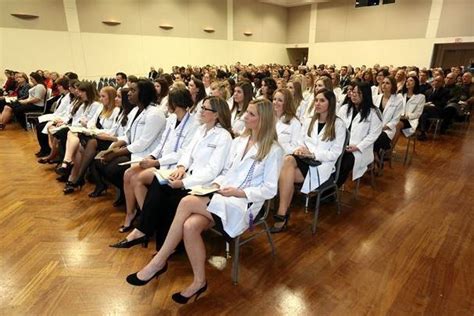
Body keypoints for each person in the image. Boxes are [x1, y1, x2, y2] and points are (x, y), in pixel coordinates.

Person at [124, 99, 283, 305]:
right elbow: (225, 171)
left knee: (187, 202)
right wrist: (216, 185)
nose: (245, 117)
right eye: (247, 113)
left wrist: (239, 191)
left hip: (244, 205)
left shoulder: (273, 150)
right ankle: (199, 282)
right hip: (222, 196)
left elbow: (270, 189)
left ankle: (158, 262)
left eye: (251, 114)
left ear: (264, 120)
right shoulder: (239, 142)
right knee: (190, 226)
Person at [110, 96, 233, 248]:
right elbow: (187, 153)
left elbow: (212, 171)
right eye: (201, 107)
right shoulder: (202, 130)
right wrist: (181, 167)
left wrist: (183, 182)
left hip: (202, 185)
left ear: (216, 114)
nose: (200, 111)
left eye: (205, 109)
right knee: (158, 182)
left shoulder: (224, 137)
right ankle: (143, 231)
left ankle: (157, 240)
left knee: (167, 196)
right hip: (188, 176)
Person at [112, 87, 197, 231]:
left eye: (168, 101)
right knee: (128, 174)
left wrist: (156, 162)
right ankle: (132, 213)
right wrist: (151, 156)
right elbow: (162, 144)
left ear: (175, 103)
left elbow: (183, 153)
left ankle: (148, 220)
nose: (165, 104)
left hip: (174, 166)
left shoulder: (193, 124)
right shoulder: (171, 119)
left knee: (137, 179)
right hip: (159, 161)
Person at [271, 89, 345, 232]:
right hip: (304, 159)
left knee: (286, 171)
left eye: (322, 100)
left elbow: (335, 153)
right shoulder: (310, 120)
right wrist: (300, 149)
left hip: (321, 165)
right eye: (316, 100)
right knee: (288, 161)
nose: (317, 103)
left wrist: (312, 154)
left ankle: (282, 214)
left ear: (331, 103)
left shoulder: (338, 124)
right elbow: (301, 141)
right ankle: (282, 212)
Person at [94, 79, 166, 206]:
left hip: (145, 154)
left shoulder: (155, 113)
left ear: (143, 93)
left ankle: (134, 199)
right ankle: (125, 192)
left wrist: (115, 153)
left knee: (113, 168)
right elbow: (127, 135)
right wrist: (112, 148)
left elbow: (143, 143)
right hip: (133, 150)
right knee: (99, 161)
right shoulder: (135, 111)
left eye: (133, 90)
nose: (128, 94)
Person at [63, 86, 120, 194]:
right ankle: (76, 177)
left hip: (108, 139)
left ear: (111, 98)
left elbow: (113, 131)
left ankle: (77, 176)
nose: (101, 99)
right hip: (96, 135)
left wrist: (96, 130)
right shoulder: (101, 108)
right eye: (100, 96)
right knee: (79, 146)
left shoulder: (116, 111)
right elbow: (91, 122)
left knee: (88, 144)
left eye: (104, 96)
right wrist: (94, 129)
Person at [55, 81, 103, 181]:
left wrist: (84, 123)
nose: (79, 94)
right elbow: (78, 120)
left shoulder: (96, 105)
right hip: (80, 130)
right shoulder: (84, 104)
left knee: (68, 135)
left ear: (88, 92)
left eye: (82, 92)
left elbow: (91, 122)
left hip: (87, 131)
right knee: (71, 141)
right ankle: (71, 174)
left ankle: (67, 166)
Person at [337, 82, 382, 186]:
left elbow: (373, 135)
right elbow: (337, 127)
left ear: (365, 95)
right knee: (330, 160)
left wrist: (358, 147)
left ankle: (332, 190)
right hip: (341, 145)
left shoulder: (373, 112)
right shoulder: (344, 109)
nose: (354, 94)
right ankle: (325, 187)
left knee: (344, 164)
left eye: (358, 93)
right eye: (353, 92)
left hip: (360, 150)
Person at [372, 76, 403, 156]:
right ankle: (374, 157)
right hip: (374, 128)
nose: (384, 85)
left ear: (393, 86)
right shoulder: (375, 98)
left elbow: (395, 120)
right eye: (383, 83)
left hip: (387, 131)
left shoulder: (398, 100)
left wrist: (381, 128)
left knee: (378, 138)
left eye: (387, 83)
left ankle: (373, 157)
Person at [392, 75, 425, 147]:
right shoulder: (400, 95)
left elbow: (418, 113)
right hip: (398, 118)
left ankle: (389, 150)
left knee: (397, 125)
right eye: (407, 81)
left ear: (416, 83)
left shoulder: (421, 97)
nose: (408, 82)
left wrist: (406, 116)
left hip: (410, 121)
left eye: (411, 81)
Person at [273, 88, 301, 155]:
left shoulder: (295, 123)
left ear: (287, 103)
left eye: (280, 100)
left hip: (283, 157)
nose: (276, 102)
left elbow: (295, 147)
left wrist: (278, 146)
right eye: (274, 99)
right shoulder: (268, 118)